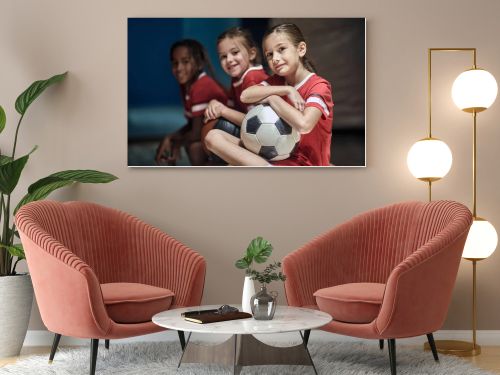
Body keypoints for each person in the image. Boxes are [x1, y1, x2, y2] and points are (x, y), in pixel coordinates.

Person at [205, 23, 334, 166]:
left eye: (281, 49)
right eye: (270, 54)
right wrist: (285, 91)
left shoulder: (319, 86)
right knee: (213, 137)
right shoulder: (277, 81)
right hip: (274, 156)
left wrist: (274, 99)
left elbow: (304, 125)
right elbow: (246, 95)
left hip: (304, 164)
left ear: (301, 49)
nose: (275, 58)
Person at [155, 39, 228, 166]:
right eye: (174, 63)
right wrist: (170, 137)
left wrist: (176, 142)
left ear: (199, 64)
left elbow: (196, 132)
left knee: (195, 147)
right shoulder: (187, 86)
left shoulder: (202, 86)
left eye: (185, 62)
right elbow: (192, 124)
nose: (178, 68)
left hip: (229, 138)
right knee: (192, 144)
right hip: (212, 135)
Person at [204, 27, 269, 128]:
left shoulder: (252, 77)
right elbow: (232, 109)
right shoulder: (236, 78)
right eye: (223, 56)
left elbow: (256, 123)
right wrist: (214, 104)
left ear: (251, 54)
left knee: (213, 135)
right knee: (211, 126)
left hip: (265, 133)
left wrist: (222, 110)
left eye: (235, 52)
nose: (229, 60)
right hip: (254, 132)